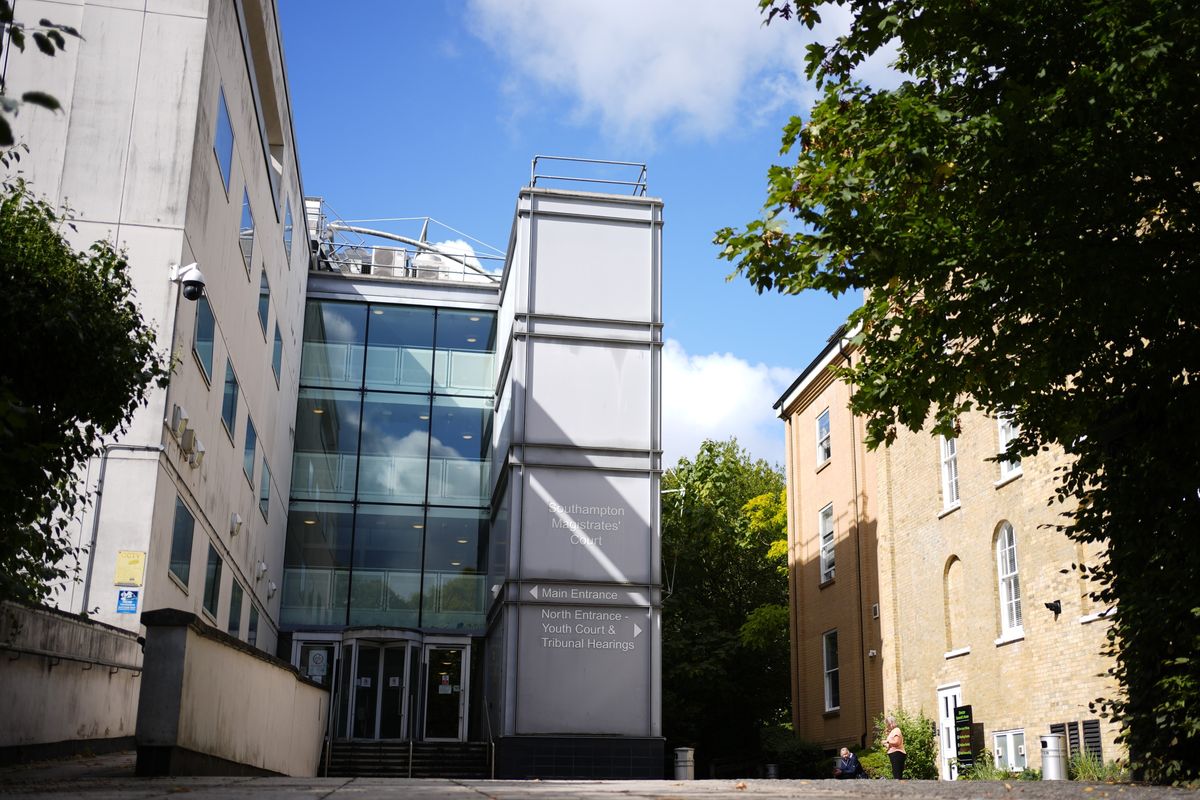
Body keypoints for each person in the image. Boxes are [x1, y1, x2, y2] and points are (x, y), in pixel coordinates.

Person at [885, 715, 907, 779]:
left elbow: (896, 742)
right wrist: (886, 745)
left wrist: (887, 741)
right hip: (894, 754)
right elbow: (892, 743)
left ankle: (898, 788)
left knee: (897, 775)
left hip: (897, 754)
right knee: (896, 774)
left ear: (891, 723)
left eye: (888, 724)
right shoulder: (893, 731)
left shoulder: (896, 730)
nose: (887, 725)